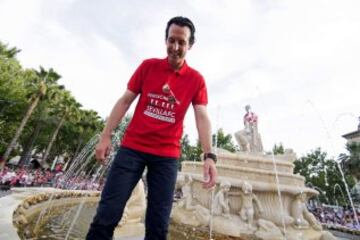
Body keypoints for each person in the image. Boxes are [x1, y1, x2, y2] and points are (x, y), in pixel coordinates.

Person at [86, 16, 217, 240]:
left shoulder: (196, 80)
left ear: (190, 45)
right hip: (132, 149)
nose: (175, 47)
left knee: (158, 225)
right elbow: (125, 100)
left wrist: (209, 156)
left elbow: (202, 116)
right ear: (165, 40)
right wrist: (105, 136)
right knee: (107, 214)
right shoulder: (148, 66)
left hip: (166, 156)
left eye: (182, 42)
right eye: (171, 40)